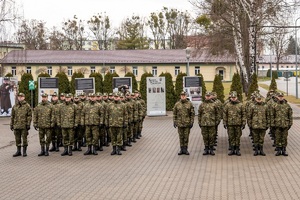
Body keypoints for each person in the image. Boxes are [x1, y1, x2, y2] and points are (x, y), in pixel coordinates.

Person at [223, 91, 246, 156]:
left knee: (237, 137)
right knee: (231, 137)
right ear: (230, 98)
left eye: (234, 97)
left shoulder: (240, 105)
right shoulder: (227, 105)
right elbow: (225, 114)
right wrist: (224, 122)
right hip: (230, 124)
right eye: (232, 97)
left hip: (238, 124)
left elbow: (243, 114)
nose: (233, 98)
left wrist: (244, 123)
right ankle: (232, 149)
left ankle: (237, 149)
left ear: (237, 97)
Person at [10, 93, 32, 157]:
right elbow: (12, 116)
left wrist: (28, 124)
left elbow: (29, 116)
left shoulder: (27, 106)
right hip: (16, 125)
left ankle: (24, 151)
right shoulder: (15, 106)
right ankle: (18, 151)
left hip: (24, 125)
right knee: (17, 139)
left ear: (24, 97)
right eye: (19, 97)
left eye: (21, 97)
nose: (20, 98)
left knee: (24, 139)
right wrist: (11, 124)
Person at [173, 91, 195, 155]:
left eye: (184, 95)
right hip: (179, 123)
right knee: (181, 137)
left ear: (186, 96)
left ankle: (185, 149)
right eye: (182, 95)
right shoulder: (177, 104)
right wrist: (174, 121)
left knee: (186, 137)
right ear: (180, 96)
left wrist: (191, 122)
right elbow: (174, 113)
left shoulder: (189, 104)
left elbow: (192, 114)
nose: (183, 96)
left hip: (187, 123)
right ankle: (181, 149)